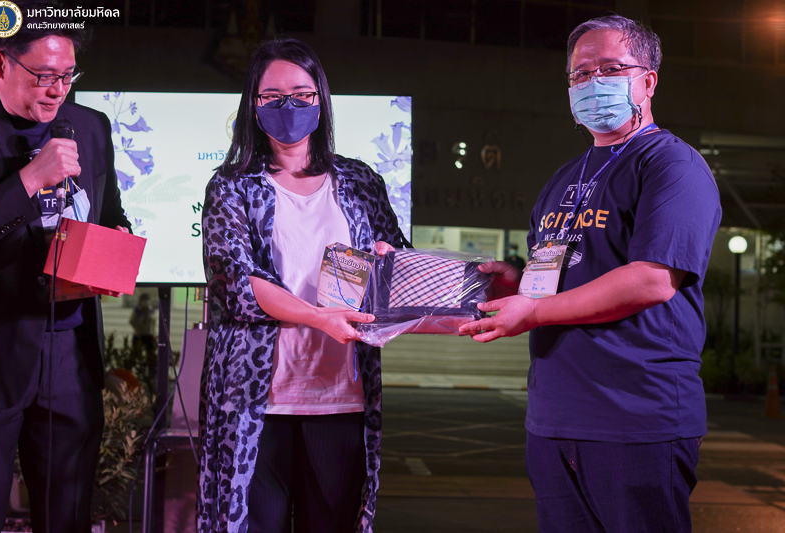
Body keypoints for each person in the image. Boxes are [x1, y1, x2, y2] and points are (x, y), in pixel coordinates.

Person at [460, 14, 721, 533]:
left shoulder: (672, 165)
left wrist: (534, 313)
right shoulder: (563, 179)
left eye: (610, 68)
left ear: (648, 81)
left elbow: (652, 279)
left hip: (636, 416)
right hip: (555, 417)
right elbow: (559, 275)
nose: (592, 82)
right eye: (580, 74)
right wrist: (515, 284)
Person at [198, 38, 408, 533]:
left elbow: (397, 267)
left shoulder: (359, 181)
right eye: (272, 96)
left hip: (341, 395)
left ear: (321, 100)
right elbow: (237, 285)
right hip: (254, 400)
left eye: (301, 94)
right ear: (253, 105)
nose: (287, 106)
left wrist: (400, 265)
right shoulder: (232, 185)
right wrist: (318, 317)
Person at [0, 4, 131, 533]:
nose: (57, 91)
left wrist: (116, 244)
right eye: (45, 76)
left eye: (68, 76)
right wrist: (28, 181)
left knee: (66, 518)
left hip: (70, 350)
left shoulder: (89, 127)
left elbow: (109, 213)